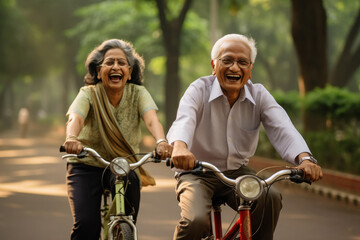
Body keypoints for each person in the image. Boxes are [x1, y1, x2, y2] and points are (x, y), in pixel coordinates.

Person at [167, 33, 323, 240]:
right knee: (195, 221)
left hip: (237, 172)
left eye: (242, 62)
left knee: (270, 197)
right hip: (196, 172)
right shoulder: (199, 89)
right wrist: (180, 148)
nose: (234, 68)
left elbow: (282, 127)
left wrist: (304, 159)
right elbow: (184, 120)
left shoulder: (259, 94)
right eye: (227, 60)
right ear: (214, 65)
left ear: (250, 70)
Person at [63, 39, 172, 240]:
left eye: (122, 63)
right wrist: (71, 138)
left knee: (128, 215)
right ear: (98, 71)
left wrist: (161, 142)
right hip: (85, 164)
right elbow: (75, 118)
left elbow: (151, 120)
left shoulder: (138, 93)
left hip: (123, 164)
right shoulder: (88, 93)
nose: (116, 67)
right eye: (110, 62)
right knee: (87, 226)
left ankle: (124, 230)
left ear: (130, 72)